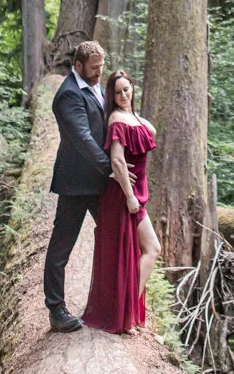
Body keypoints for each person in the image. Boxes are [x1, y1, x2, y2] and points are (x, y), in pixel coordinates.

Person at [43, 40, 135, 333]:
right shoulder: (68, 95)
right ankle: (56, 311)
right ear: (78, 65)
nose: (98, 73)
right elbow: (83, 139)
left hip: (99, 182)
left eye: (101, 67)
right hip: (76, 184)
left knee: (118, 235)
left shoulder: (95, 86)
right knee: (61, 248)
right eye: (93, 68)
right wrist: (112, 169)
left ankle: (116, 304)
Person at [82, 69, 161, 335]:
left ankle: (126, 310)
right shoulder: (117, 120)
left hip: (134, 196)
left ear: (133, 88)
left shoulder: (131, 117)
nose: (123, 95)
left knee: (146, 250)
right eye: (118, 92)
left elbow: (150, 130)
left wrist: (136, 116)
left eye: (127, 89)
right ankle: (126, 311)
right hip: (124, 197)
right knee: (152, 249)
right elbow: (116, 160)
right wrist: (129, 196)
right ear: (111, 96)